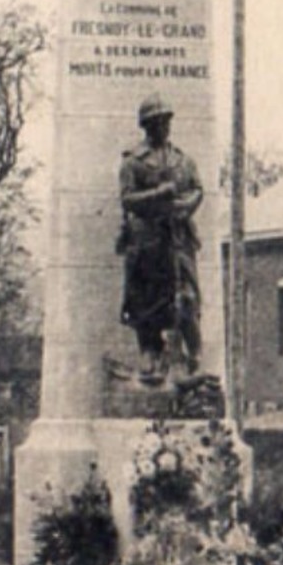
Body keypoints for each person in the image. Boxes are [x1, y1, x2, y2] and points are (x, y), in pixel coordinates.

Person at [118, 95, 203, 383]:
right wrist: (159, 194)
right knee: (146, 301)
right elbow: (128, 199)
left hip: (178, 237)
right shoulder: (133, 161)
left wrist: (186, 206)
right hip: (148, 240)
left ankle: (196, 356)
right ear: (147, 126)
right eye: (158, 122)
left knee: (188, 297)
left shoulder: (182, 159)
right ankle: (150, 353)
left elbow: (197, 188)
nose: (164, 126)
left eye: (167, 120)